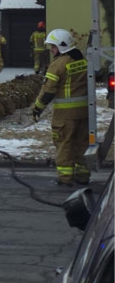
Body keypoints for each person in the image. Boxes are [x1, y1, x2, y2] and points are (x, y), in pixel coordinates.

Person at [31, 28, 89, 186]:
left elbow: (48, 91)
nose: (51, 50)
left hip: (65, 116)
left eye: (53, 47)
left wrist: (37, 108)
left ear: (61, 46)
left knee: (64, 144)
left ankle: (65, 178)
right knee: (82, 143)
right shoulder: (81, 59)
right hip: (84, 113)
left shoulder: (58, 64)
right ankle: (83, 175)